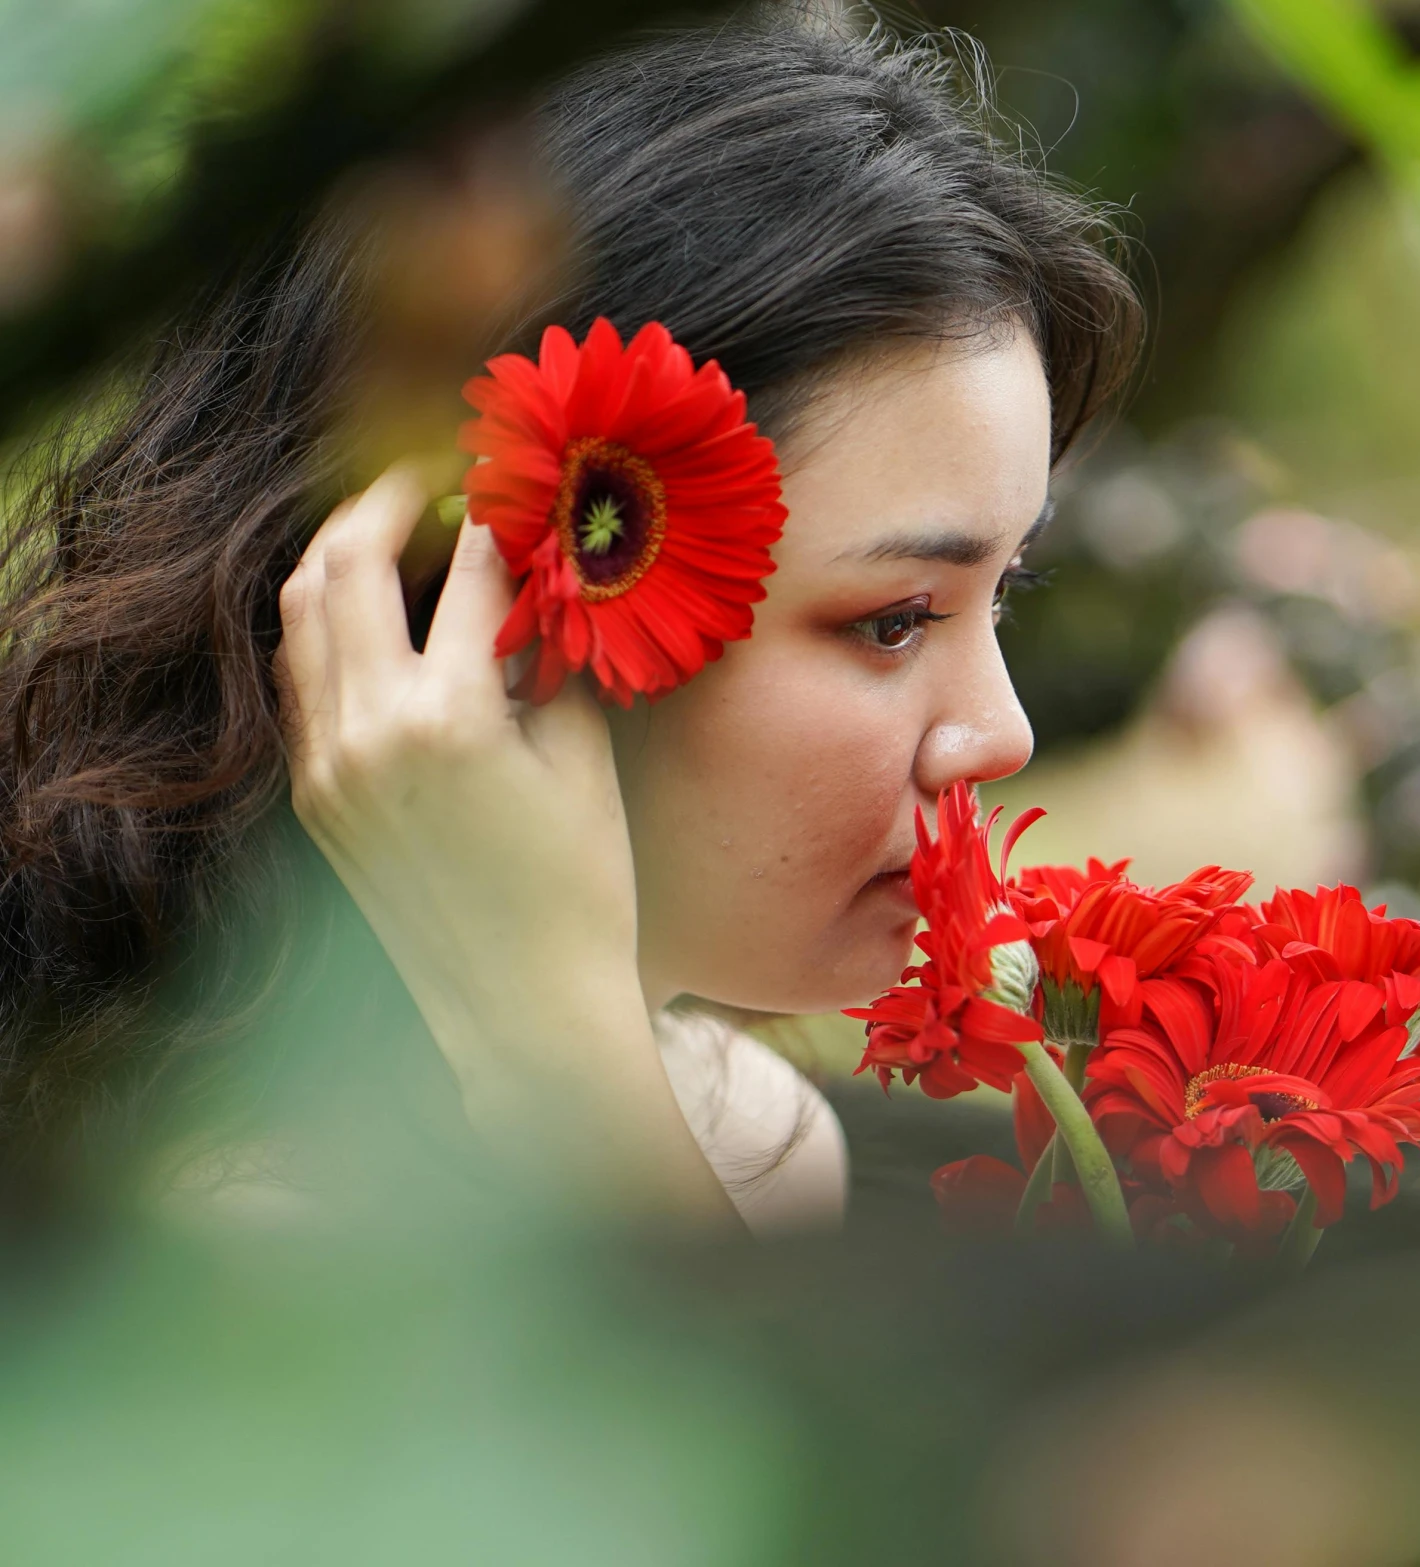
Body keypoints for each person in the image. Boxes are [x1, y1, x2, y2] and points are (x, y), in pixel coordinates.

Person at [0, 9, 1140, 1229]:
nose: (1000, 732)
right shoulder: (235, 1235)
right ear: (493, 597)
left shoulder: (738, 1118)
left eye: (1003, 591)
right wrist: (559, 1039)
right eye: (896, 619)